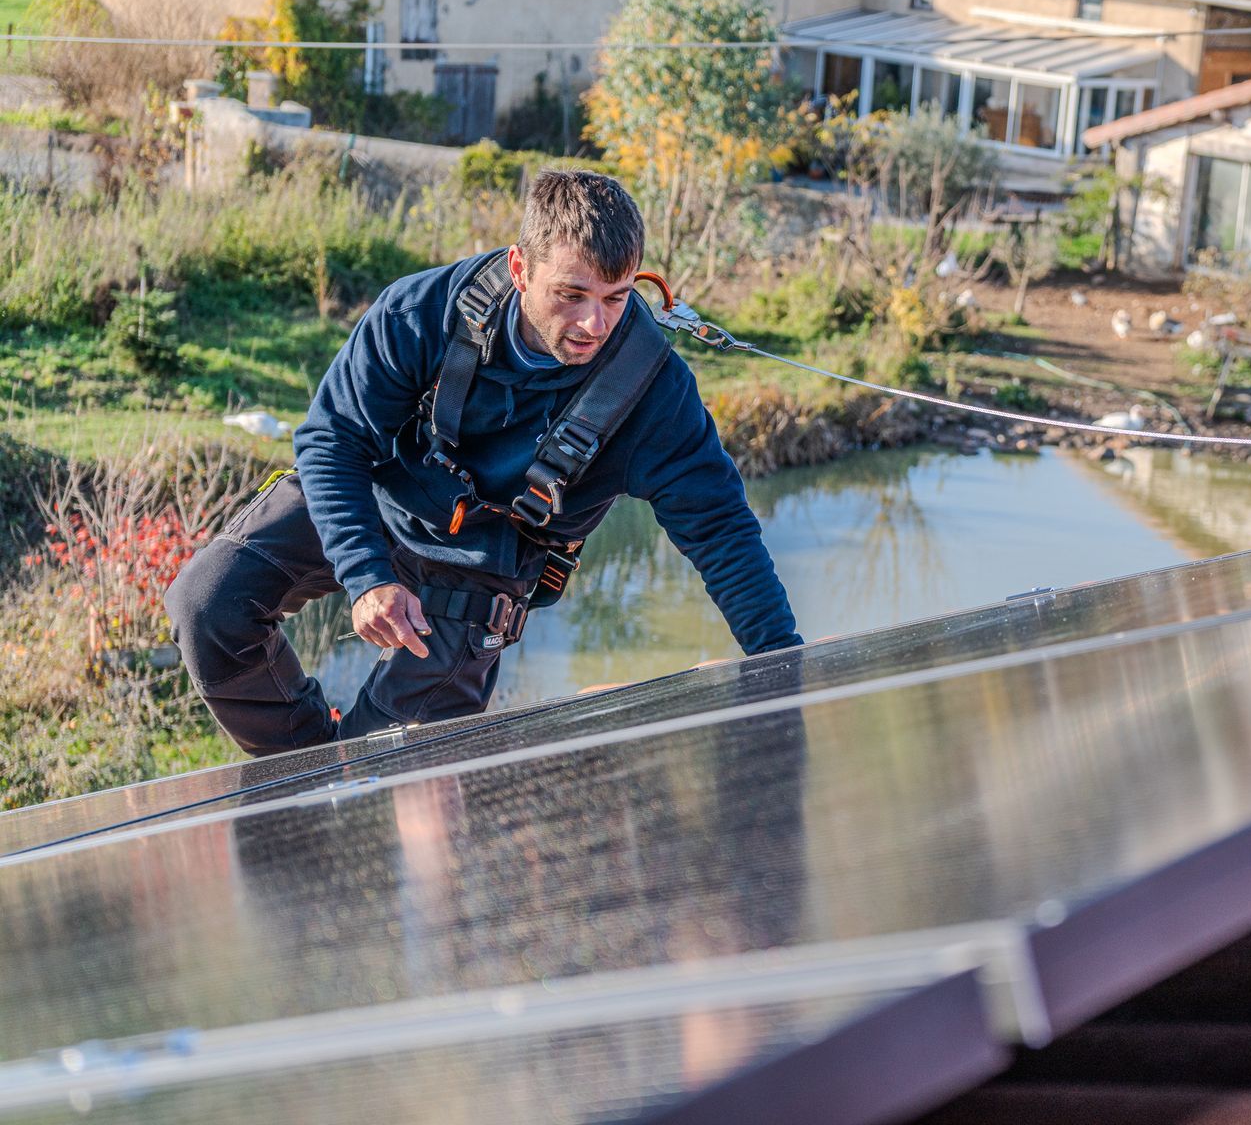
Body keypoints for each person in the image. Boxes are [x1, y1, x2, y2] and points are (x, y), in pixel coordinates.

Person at [165, 169, 801, 757]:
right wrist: (367, 577)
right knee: (207, 604)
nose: (594, 322)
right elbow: (332, 441)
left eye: (615, 297)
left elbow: (721, 530)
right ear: (520, 269)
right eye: (571, 294)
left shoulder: (654, 395)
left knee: (383, 771)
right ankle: (308, 775)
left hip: (479, 574)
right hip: (376, 503)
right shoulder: (420, 312)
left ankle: (339, 795)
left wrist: (786, 668)